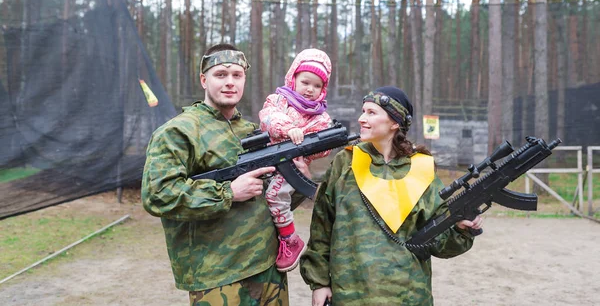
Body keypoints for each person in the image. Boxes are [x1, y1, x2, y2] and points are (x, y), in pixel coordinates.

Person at [142, 43, 306, 306]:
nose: (230, 82)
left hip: (268, 270)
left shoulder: (254, 132)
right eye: (221, 75)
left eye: (236, 75)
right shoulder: (179, 132)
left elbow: (268, 200)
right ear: (204, 80)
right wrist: (228, 192)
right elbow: (157, 195)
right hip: (218, 277)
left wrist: (295, 181)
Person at [300, 86, 483, 306]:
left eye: (371, 113)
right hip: (349, 294)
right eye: (363, 111)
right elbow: (322, 226)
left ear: (394, 123)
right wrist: (319, 283)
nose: (361, 119)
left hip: (409, 295)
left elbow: (439, 242)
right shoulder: (345, 163)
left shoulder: (421, 169)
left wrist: (462, 230)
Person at [259, 48, 333, 272]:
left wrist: (305, 144)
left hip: (292, 166)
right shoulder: (279, 100)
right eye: (305, 82)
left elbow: (322, 145)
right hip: (267, 159)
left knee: (275, 196)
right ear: (293, 79)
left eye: (317, 86)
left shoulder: (320, 116)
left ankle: (290, 239)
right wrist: (288, 128)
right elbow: (268, 117)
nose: (310, 89)